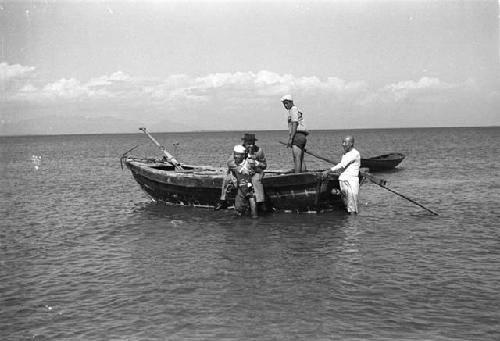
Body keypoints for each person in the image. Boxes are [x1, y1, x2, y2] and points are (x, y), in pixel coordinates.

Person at [215, 134, 267, 214]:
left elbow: (264, 165)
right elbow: (230, 162)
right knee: (227, 178)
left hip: (254, 171)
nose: (251, 145)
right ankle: (223, 200)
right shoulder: (239, 150)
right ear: (244, 142)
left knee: (256, 180)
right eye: (248, 143)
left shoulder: (259, 151)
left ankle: (260, 202)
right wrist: (239, 168)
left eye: (252, 143)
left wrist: (257, 163)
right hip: (239, 171)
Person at [323, 135, 361, 214]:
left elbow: (342, 164)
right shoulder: (345, 154)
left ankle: (353, 224)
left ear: (351, 143)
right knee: (347, 204)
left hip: (351, 181)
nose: (343, 144)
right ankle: (350, 223)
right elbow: (342, 166)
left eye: (345, 142)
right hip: (343, 180)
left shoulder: (355, 154)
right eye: (342, 142)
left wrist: (329, 170)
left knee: (352, 205)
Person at [280, 94, 308, 173]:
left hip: (297, 135)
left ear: (291, 102)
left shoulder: (293, 109)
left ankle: (297, 176)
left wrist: (291, 138)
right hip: (302, 136)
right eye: (284, 104)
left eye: (286, 103)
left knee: (297, 158)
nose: (285, 105)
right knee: (301, 158)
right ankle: (303, 175)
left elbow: (294, 123)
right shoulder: (297, 110)